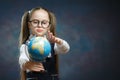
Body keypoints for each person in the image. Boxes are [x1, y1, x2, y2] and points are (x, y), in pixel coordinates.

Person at [19, 7, 70, 80]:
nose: (40, 25)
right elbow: (22, 59)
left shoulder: (50, 43)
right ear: (29, 25)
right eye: (35, 22)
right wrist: (27, 64)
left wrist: (58, 41)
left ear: (48, 26)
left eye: (44, 23)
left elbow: (65, 49)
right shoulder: (26, 45)